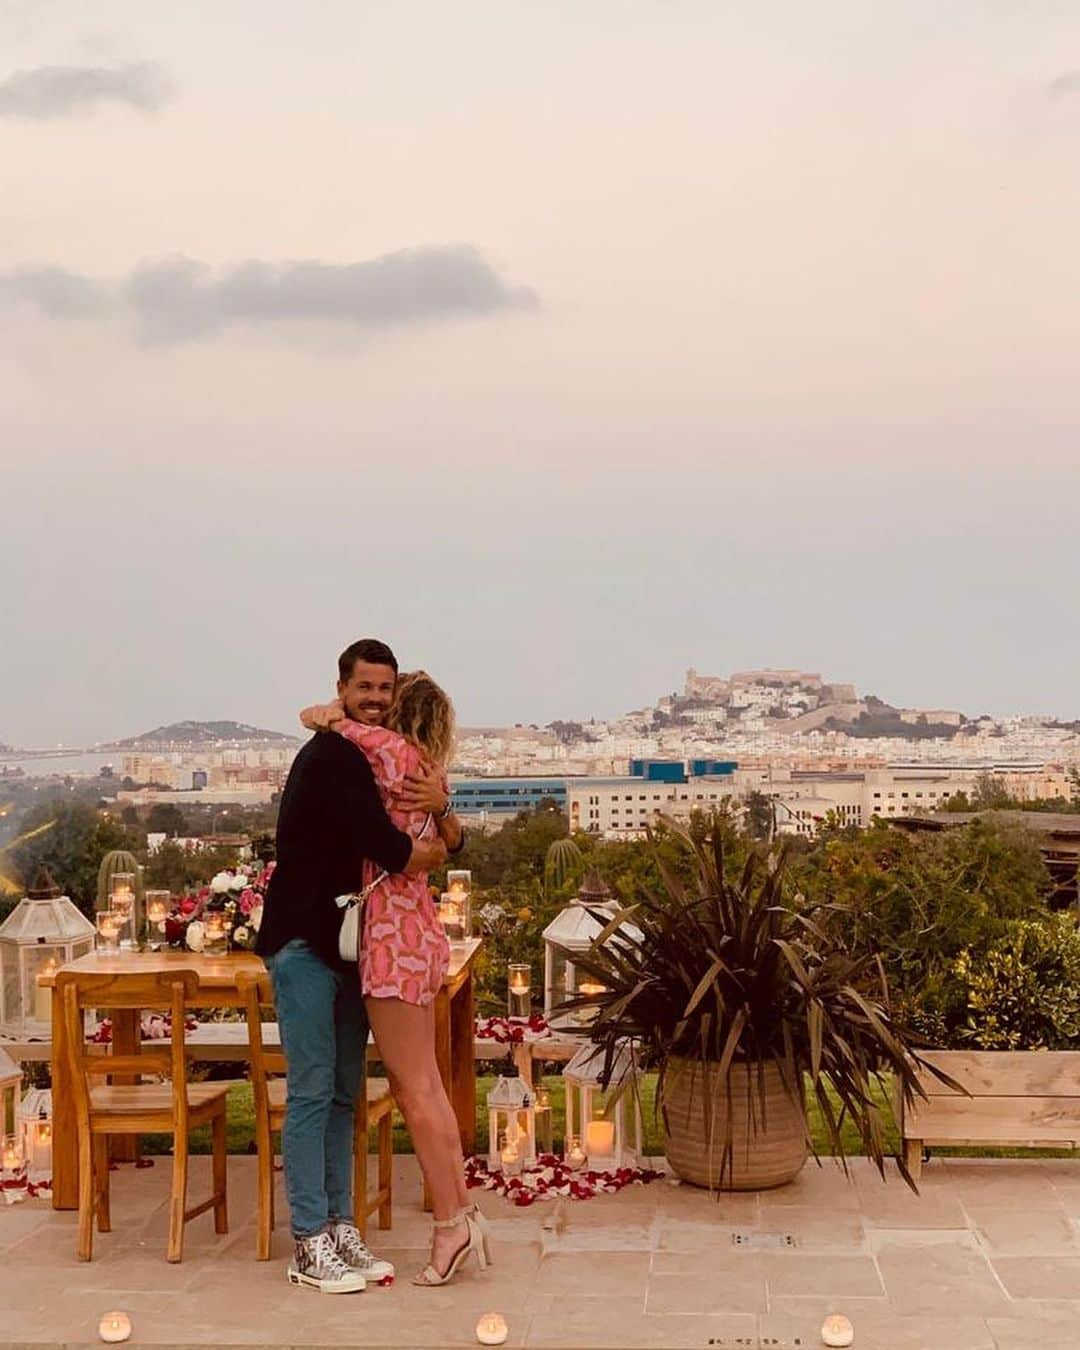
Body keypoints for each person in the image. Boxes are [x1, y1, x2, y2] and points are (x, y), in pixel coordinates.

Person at [257, 638, 449, 1294]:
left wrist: (441, 815)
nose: (374, 698)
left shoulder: (355, 748)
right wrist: (421, 849)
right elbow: (392, 847)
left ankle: (337, 1227)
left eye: (383, 690)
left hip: (342, 952)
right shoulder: (335, 757)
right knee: (315, 1094)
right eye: (363, 688)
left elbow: (418, 825)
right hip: (307, 948)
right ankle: (309, 1239)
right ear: (343, 688)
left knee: (340, 1094)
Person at [301, 670, 492, 1287]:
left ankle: (452, 1226)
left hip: (390, 939)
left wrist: (327, 714)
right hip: (417, 933)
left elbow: (347, 726)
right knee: (426, 1086)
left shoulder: (392, 755)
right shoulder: (429, 772)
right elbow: (444, 836)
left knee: (416, 1090)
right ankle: (462, 1215)